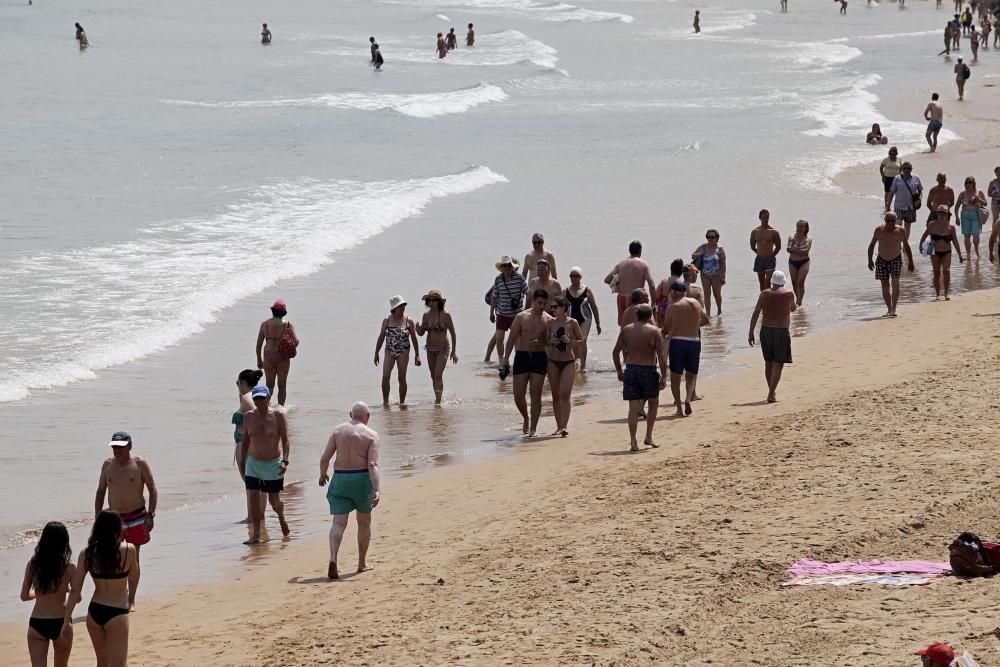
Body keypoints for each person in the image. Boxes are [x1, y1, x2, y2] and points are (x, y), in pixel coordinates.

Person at [65, 511, 138, 667]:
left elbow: (75, 590)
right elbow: (134, 576)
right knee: (119, 664)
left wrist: (66, 619)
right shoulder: (128, 550)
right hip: (117, 611)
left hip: (95, 611)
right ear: (117, 528)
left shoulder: (87, 553)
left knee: (102, 663)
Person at [318, 402, 380, 580]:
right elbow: (373, 464)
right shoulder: (371, 434)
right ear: (368, 416)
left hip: (340, 478)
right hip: (361, 479)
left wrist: (322, 475)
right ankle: (361, 563)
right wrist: (376, 489)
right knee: (364, 522)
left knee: (338, 523)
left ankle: (333, 557)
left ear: (350, 414)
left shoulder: (338, 431)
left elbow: (325, 458)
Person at [94, 431, 156, 610]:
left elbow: (152, 489)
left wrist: (150, 515)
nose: (116, 450)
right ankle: (117, 596)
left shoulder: (139, 464)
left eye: (120, 446)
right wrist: (98, 516)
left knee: (133, 559)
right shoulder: (107, 465)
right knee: (112, 558)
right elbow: (100, 491)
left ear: (129, 446)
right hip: (114, 519)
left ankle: (131, 599)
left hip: (137, 516)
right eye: (114, 446)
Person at [611, 305, 667, 451]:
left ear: (636, 316)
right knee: (653, 403)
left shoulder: (626, 330)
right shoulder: (655, 331)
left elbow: (615, 352)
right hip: (648, 370)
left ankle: (633, 441)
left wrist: (619, 371)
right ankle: (648, 436)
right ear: (650, 316)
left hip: (631, 370)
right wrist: (664, 376)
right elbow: (661, 356)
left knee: (633, 408)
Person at [239, 386, 290, 545]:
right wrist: (242, 464)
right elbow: (246, 442)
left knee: (274, 502)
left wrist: (285, 461)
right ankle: (256, 534)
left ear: (268, 397)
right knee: (253, 498)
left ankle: (281, 517)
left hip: (272, 463)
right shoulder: (248, 416)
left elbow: (286, 440)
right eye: (256, 399)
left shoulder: (278, 415)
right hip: (253, 464)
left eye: (262, 398)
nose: (259, 402)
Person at [21, 522, 75, 667]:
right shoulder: (69, 567)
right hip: (61, 622)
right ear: (65, 542)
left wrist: (38, 593)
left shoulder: (33, 564)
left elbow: (24, 596)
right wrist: (66, 589)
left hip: (37, 622)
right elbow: (78, 597)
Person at [502, 290, 552, 436]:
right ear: (533, 301)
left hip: (539, 357)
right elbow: (511, 339)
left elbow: (550, 342)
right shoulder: (521, 317)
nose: (542, 306)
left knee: (536, 394)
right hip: (522, 356)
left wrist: (542, 343)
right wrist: (505, 359)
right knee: (518, 395)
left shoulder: (548, 319)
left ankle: (534, 428)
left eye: (544, 303)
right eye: (539, 303)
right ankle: (526, 417)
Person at [748, 271, 796, 403]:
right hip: (781, 331)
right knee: (778, 364)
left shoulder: (764, 294)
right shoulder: (788, 294)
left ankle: (772, 392)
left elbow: (756, 313)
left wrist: (751, 332)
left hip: (766, 331)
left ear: (772, 282)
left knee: (768, 363)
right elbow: (793, 308)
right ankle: (771, 393)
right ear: (783, 282)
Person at [661, 284, 709, 416]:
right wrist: (692, 325)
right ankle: (688, 398)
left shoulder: (673, 307)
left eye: (671, 292)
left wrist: (659, 335)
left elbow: (665, 329)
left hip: (678, 342)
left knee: (675, 377)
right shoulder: (696, 303)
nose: (670, 294)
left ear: (675, 293)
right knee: (691, 374)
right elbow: (706, 321)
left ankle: (679, 408)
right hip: (694, 341)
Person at [374, 296, 421, 406]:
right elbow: (381, 337)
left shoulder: (409, 321)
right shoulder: (387, 321)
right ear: (394, 308)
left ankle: (402, 403)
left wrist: (417, 355)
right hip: (389, 351)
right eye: (400, 306)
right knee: (385, 376)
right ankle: (385, 402)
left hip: (403, 351)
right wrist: (376, 353)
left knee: (401, 377)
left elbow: (414, 339)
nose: (403, 308)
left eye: (403, 305)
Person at [546, 296, 583, 436]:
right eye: (552, 307)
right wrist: (551, 341)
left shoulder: (572, 322)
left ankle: (564, 426)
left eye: (555, 307)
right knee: (555, 396)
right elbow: (545, 341)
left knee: (565, 395)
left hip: (568, 361)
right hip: (553, 361)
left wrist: (570, 341)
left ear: (563, 307)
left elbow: (581, 341)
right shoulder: (550, 323)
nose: (553, 309)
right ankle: (558, 425)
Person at [867, 212, 915, 316]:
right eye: (888, 221)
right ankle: (889, 309)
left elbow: (906, 246)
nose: (891, 223)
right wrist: (870, 260)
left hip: (896, 259)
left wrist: (911, 261)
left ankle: (894, 309)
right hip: (881, 260)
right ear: (885, 221)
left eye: (893, 221)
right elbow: (871, 245)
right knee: (885, 286)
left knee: (895, 283)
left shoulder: (900, 231)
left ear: (896, 220)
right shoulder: (879, 230)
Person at [415, 290, 458, 405]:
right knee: (433, 376)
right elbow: (422, 333)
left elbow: (453, 333)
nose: (431, 303)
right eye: (429, 301)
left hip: (443, 349)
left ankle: (438, 402)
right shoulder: (426, 315)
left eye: (434, 300)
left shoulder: (445, 315)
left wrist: (453, 352)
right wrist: (418, 330)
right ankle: (438, 397)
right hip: (430, 349)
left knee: (438, 374)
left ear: (439, 302)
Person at [234, 369, 264, 524]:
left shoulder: (247, 397)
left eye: (237, 383)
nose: (237, 386)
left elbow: (256, 413)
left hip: (245, 443)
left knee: (249, 482)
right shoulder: (258, 396)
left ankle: (252, 517)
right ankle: (258, 515)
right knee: (258, 481)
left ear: (244, 383)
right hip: (254, 443)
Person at [255, 299, 298, 406]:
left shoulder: (264, 324)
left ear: (273, 311)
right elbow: (296, 342)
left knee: (269, 385)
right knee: (282, 386)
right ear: (284, 312)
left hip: (268, 355)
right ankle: (281, 409)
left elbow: (259, 344)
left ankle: (265, 408)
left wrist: (259, 360)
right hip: (282, 356)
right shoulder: (287, 324)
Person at [605, 241, 656, 326]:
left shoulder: (621, 264)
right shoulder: (644, 264)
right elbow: (652, 285)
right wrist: (653, 303)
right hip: (637, 299)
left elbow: (607, 279)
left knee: (623, 325)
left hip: (622, 298)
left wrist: (618, 285)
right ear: (640, 251)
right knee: (640, 324)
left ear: (629, 250)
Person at [489, 256, 528, 365]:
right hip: (501, 313)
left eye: (508, 265)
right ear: (501, 267)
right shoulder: (498, 279)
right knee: (499, 338)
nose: (507, 268)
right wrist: (491, 312)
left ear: (512, 266)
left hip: (516, 315)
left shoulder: (520, 278)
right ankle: (502, 360)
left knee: (517, 339)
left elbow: (527, 292)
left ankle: (518, 361)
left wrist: (528, 310)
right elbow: (494, 296)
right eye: (504, 266)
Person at [918, 206, 964, 300]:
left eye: (943, 213)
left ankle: (946, 293)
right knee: (936, 273)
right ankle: (937, 294)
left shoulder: (951, 227)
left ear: (947, 214)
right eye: (939, 213)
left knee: (946, 271)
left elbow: (955, 241)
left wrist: (960, 254)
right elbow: (924, 235)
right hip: (935, 252)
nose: (941, 215)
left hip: (947, 252)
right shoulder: (931, 225)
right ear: (937, 214)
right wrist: (920, 246)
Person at [564, 267, 602, 372]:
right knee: (573, 341)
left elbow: (594, 307)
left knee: (582, 340)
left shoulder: (587, 290)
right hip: (571, 318)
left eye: (576, 276)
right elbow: (562, 307)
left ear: (580, 277)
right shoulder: (566, 291)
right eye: (571, 276)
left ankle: (583, 366)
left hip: (586, 318)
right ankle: (576, 361)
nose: (573, 278)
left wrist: (598, 323)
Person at [692, 229, 727, 316]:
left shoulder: (720, 250)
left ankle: (719, 311)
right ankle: (708, 314)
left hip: (716, 275)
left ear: (717, 238)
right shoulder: (703, 247)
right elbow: (693, 256)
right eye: (708, 237)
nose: (710, 239)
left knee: (717, 294)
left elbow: (723, 264)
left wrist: (723, 277)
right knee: (707, 295)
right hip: (705, 275)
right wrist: (700, 253)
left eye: (712, 237)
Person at [888, 162, 923, 238]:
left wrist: (918, 199)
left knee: (907, 227)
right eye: (905, 168)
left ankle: (905, 245)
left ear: (911, 169)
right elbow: (891, 193)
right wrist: (888, 206)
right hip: (899, 207)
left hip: (911, 207)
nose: (906, 170)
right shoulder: (897, 178)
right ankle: (898, 244)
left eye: (908, 168)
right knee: (898, 226)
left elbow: (920, 189)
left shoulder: (916, 178)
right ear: (901, 169)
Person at [955, 176, 987, 259]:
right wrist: (957, 217)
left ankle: (976, 249)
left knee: (976, 236)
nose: (968, 184)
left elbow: (985, 203)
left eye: (970, 182)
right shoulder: (962, 193)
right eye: (967, 182)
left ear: (974, 183)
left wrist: (979, 199)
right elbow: (957, 206)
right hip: (965, 216)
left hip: (975, 215)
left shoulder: (978, 192)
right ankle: (968, 254)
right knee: (967, 236)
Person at [750, 209, 782, 290]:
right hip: (759, 259)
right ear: (760, 218)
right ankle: (763, 301)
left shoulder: (774, 232)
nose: (765, 219)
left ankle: (769, 301)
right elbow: (752, 246)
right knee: (762, 284)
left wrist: (772, 256)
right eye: (764, 217)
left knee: (767, 282)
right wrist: (759, 253)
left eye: (767, 217)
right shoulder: (755, 232)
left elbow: (778, 247)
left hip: (770, 259)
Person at [786, 220, 812, 307]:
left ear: (806, 228)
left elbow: (806, 252)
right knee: (794, 283)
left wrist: (795, 250)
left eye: (802, 226)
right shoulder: (792, 237)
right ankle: (798, 298)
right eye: (798, 226)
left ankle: (799, 302)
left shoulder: (808, 239)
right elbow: (788, 249)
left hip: (804, 262)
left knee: (800, 282)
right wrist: (800, 251)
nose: (800, 228)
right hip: (792, 262)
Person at [653, 259, 686, 323]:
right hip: (678, 309)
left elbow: (656, 296)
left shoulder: (664, 281)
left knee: (663, 330)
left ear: (671, 270)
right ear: (681, 272)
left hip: (663, 310)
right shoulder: (682, 283)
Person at [880, 147, 902, 211]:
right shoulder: (886, 160)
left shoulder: (899, 159)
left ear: (896, 154)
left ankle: (897, 205)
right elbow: (881, 168)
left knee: (897, 192)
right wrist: (882, 176)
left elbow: (901, 168)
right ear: (889, 153)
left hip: (896, 178)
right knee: (887, 192)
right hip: (887, 177)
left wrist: (901, 175)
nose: (892, 155)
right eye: (891, 154)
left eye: (894, 154)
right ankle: (886, 205)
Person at [988, 166, 1000, 232]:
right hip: (995, 203)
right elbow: (989, 194)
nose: (999, 173)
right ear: (995, 173)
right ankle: (994, 235)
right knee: (996, 219)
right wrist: (997, 195)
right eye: (998, 172)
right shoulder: (992, 182)